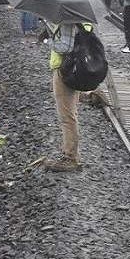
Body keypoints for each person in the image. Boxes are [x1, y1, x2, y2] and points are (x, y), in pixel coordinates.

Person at [44, 20, 94, 171]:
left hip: (64, 70)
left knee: (66, 115)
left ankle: (70, 157)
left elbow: (65, 47)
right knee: (70, 113)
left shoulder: (67, 22)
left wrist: (50, 39)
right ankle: (71, 154)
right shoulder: (82, 21)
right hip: (74, 69)